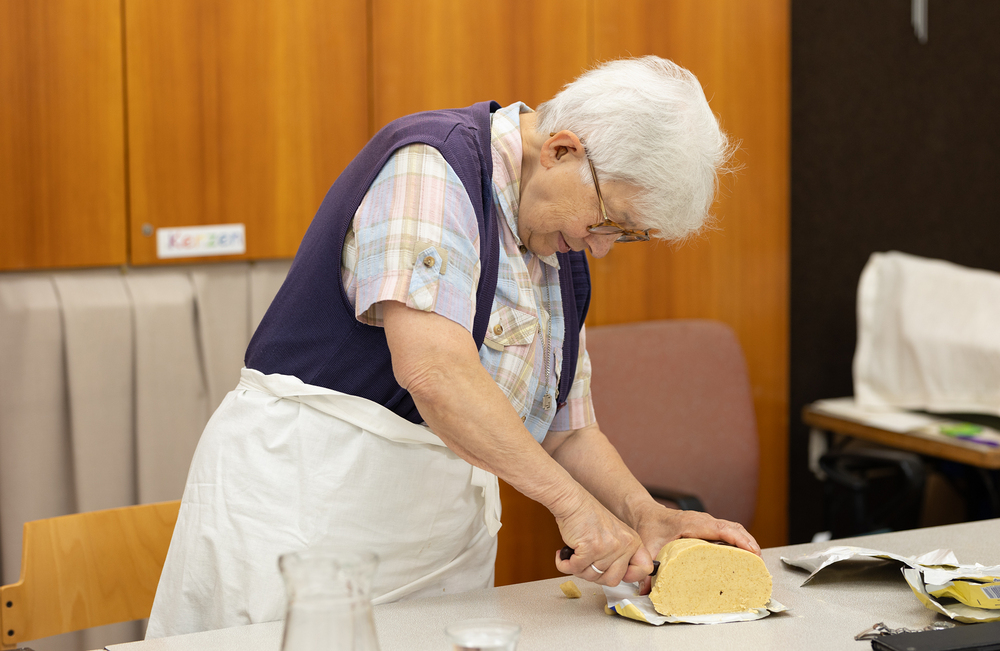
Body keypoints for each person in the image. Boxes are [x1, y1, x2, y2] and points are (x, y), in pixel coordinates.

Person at [146, 55, 759, 638]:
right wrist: (572, 506)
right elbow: (435, 373)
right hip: (309, 512)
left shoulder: (556, 243)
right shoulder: (432, 167)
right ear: (561, 150)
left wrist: (644, 513)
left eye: (625, 236)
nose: (599, 247)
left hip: (431, 543)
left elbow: (567, 430)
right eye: (606, 221)